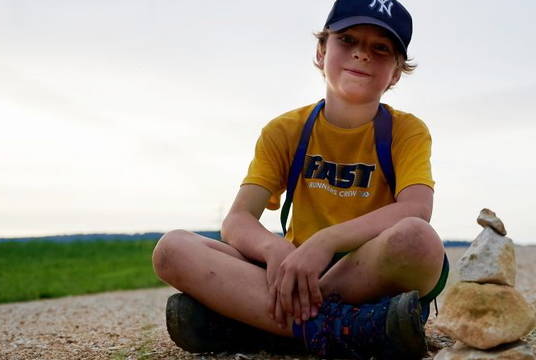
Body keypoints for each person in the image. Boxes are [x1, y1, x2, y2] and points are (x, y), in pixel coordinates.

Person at [152, 0, 448, 358]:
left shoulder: (407, 131)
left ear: (397, 73)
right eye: (348, 40)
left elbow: (416, 207)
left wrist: (326, 241)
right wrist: (274, 248)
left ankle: (255, 321)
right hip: (292, 267)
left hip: (365, 273)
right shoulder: (285, 130)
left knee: (419, 241)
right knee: (172, 248)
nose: (362, 55)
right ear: (322, 51)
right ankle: (347, 327)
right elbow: (238, 220)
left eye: (380, 48)